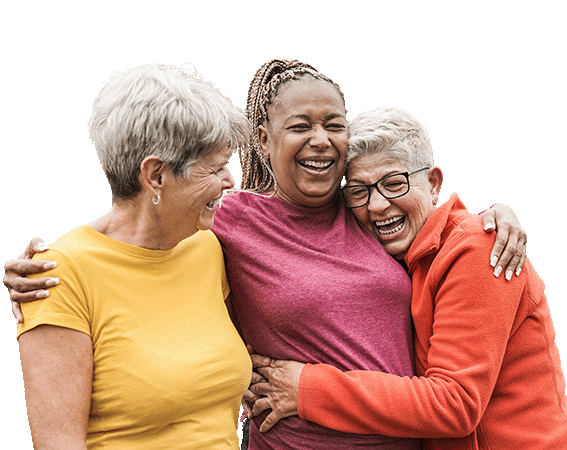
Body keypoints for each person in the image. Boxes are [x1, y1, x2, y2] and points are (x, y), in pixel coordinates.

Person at [5, 60, 527, 450]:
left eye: (334, 125)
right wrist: (51, 256)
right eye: (300, 126)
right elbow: (139, 222)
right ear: (264, 137)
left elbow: (426, 214)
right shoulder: (227, 223)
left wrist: (495, 214)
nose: (320, 140)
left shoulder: (365, 209)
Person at [243, 106, 567, 449]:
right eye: (359, 191)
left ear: (433, 183)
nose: (378, 205)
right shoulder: (400, 256)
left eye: (394, 183)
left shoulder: (476, 250)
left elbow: (455, 404)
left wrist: (306, 388)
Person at [12, 64, 252, 449]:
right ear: (155, 175)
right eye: (216, 167)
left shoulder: (207, 245)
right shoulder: (59, 277)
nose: (230, 182)